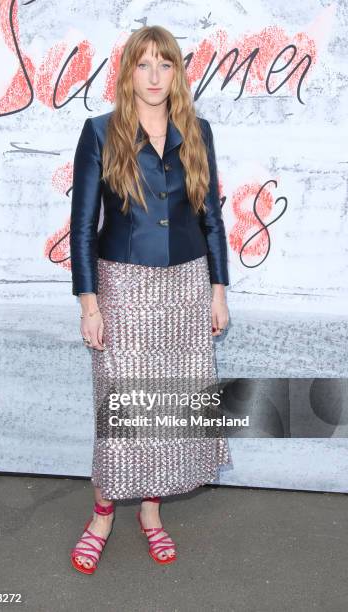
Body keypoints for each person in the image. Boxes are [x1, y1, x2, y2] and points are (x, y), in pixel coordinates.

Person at [69, 25, 233, 574]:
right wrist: (90, 303)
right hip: (123, 288)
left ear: (177, 73)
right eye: (144, 64)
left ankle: (151, 513)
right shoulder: (99, 132)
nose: (155, 75)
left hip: (186, 286)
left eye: (165, 64)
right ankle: (102, 515)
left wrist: (218, 290)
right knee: (121, 408)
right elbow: (83, 227)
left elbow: (211, 216)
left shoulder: (198, 131)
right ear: (128, 72)